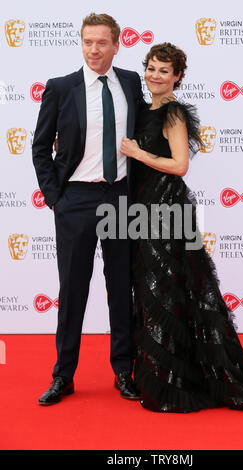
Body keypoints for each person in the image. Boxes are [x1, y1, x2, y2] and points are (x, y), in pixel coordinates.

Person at [120, 42, 243, 412]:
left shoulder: (175, 114)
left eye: (164, 70)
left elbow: (180, 165)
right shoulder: (140, 111)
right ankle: (161, 372)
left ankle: (178, 380)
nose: (155, 75)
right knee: (150, 291)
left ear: (177, 76)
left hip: (167, 207)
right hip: (141, 208)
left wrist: (139, 153)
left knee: (171, 289)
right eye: (151, 68)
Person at [32, 13, 144, 405]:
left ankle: (123, 372)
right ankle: (63, 375)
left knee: (121, 289)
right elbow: (40, 147)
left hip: (120, 198)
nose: (94, 49)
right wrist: (55, 199)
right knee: (73, 289)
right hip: (76, 200)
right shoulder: (61, 88)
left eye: (101, 42)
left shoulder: (130, 82)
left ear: (117, 44)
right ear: (81, 43)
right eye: (87, 42)